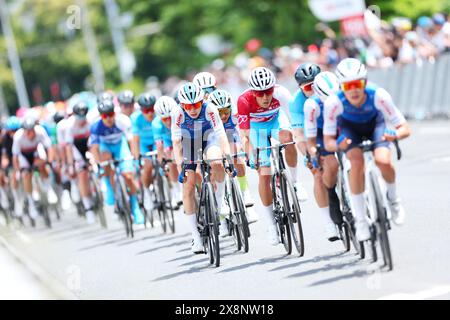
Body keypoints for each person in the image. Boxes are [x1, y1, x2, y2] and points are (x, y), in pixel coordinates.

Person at [323, 58, 411, 242]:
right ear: (341, 87)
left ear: (365, 82)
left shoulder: (379, 95)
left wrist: (394, 134)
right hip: (349, 130)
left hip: (375, 125)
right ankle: (361, 221)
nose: (354, 89)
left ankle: (393, 200)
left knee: (383, 161)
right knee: (356, 163)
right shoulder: (333, 103)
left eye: (358, 84)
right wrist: (339, 144)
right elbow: (328, 142)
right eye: (348, 86)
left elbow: (405, 128)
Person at [237, 67, 299, 246]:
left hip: (276, 120)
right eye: (260, 93)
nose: (265, 97)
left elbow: (295, 121)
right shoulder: (244, 100)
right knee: (264, 174)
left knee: (288, 139)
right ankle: (271, 225)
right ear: (252, 92)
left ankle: (294, 183)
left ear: (274, 88)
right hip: (257, 130)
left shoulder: (282, 93)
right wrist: (250, 155)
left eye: (268, 91)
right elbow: (245, 135)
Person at [172, 82, 231, 253]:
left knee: (217, 162)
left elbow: (221, 135)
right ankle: (195, 237)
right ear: (182, 105)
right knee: (188, 187)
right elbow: (176, 142)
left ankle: (219, 204)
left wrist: (228, 158)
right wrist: (181, 167)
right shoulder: (177, 112)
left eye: (196, 105)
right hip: (188, 142)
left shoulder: (210, 108)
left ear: (202, 101)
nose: (192, 109)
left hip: (208, 139)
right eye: (188, 106)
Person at [207, 89, 257, 225]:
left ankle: (245, 193)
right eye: (219, 112)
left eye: (226, 111)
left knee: (237, 155)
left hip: (231, 136)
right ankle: (221, 216)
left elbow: (243, 135)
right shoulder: (207, 116)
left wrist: (247, 153)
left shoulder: (235, 114)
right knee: (214, 169)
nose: (223, 116)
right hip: (213, 139)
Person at [90, 100, 144, 225]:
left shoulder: (123, 120)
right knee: (106, 161)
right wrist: (98, 165)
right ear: (100, 116)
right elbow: (95, 148)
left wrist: (134, 157)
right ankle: (109, 187)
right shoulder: (95, 126)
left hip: (120, 146)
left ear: (115, 113)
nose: (108, 118)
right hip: (106, 147)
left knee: (128, 176)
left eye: (111, 114)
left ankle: (135, 208)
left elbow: (131, 141)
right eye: (105, 116)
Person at [303, 71, 342, 241]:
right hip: (319, 134)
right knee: (329, 166)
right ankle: (331, 195)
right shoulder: (311, 105)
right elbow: (310, 141)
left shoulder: (344, 96)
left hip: (341, 128)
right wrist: (313, 154)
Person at [12, 117, 58, 219]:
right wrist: (18, 171)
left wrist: (49, 162)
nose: (30, 134)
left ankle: (48, 188)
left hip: (36, 151)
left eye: (32, 131)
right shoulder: (18, 137)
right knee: (26, 175)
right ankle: (31, 201)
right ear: (24, 131)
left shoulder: (40, 131)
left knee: (41, 164)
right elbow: (15, 157)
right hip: (23, 156)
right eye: (27, 131)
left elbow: (49, 148)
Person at [65, 101, 96, 224]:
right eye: (79, 117)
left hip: (89, 144)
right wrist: (70, 165)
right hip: (76, 148)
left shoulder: (90, 121)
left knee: (94, 162)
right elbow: (68, 147)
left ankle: (99, 185)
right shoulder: (70, 125)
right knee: (82, 174)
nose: (82, 119)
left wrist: (95, 158)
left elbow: (95, 141)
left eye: (84, 116)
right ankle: (88, 207)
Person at [153, 96, 182, 208]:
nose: (169, 121)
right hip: (168, 141)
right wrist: (162, 162)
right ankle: (176, 190)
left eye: (170, 117)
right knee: (170, 157)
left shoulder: (180, 115)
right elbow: (159, 146)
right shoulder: (156, 124)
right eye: (165, 119)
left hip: (181, 137)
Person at [131, 93, 157, 212]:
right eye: (146, 111)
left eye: (151, 109)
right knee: (147, 167)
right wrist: (137, 158)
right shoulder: (135, 118)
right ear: (141, 110)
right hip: (144, 144)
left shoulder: (159, 114)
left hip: (157, 141)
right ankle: (146, 192)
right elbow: (135, 140)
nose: (150, 113)